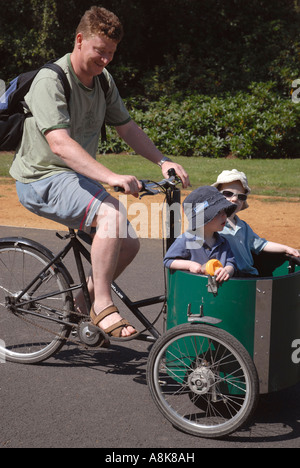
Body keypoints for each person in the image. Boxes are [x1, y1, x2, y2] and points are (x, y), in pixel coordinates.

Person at [9, 6, 189, 338]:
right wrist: (111, 177)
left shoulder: (103, 81)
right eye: (100, 52)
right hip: (42, 177)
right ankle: (102, 304)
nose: (105, 60)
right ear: (80, 40)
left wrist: (163, 161)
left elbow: (127, 127)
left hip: (75, 179)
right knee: (112, 214)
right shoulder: (52, 80)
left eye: (111, 54)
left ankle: (81, 304)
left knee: (129, 244)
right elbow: (60, 144)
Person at [212, 169, 300, 276]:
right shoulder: (211, 224)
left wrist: (286, 248)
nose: (235, 199)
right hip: (225, 276)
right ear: (217, 195)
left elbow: (261, 244)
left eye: (241, 196)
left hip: (249, 275)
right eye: (228, 193)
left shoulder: (243, 226)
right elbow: (196, 245)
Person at [164, 186, 237, 282]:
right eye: (218, 212)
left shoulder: (223, 242)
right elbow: (168, 261)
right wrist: (190, 265)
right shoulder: (187, 239)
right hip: (193, 290)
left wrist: (227, 271)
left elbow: (231, 263)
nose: (224, 215)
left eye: (225, 211)